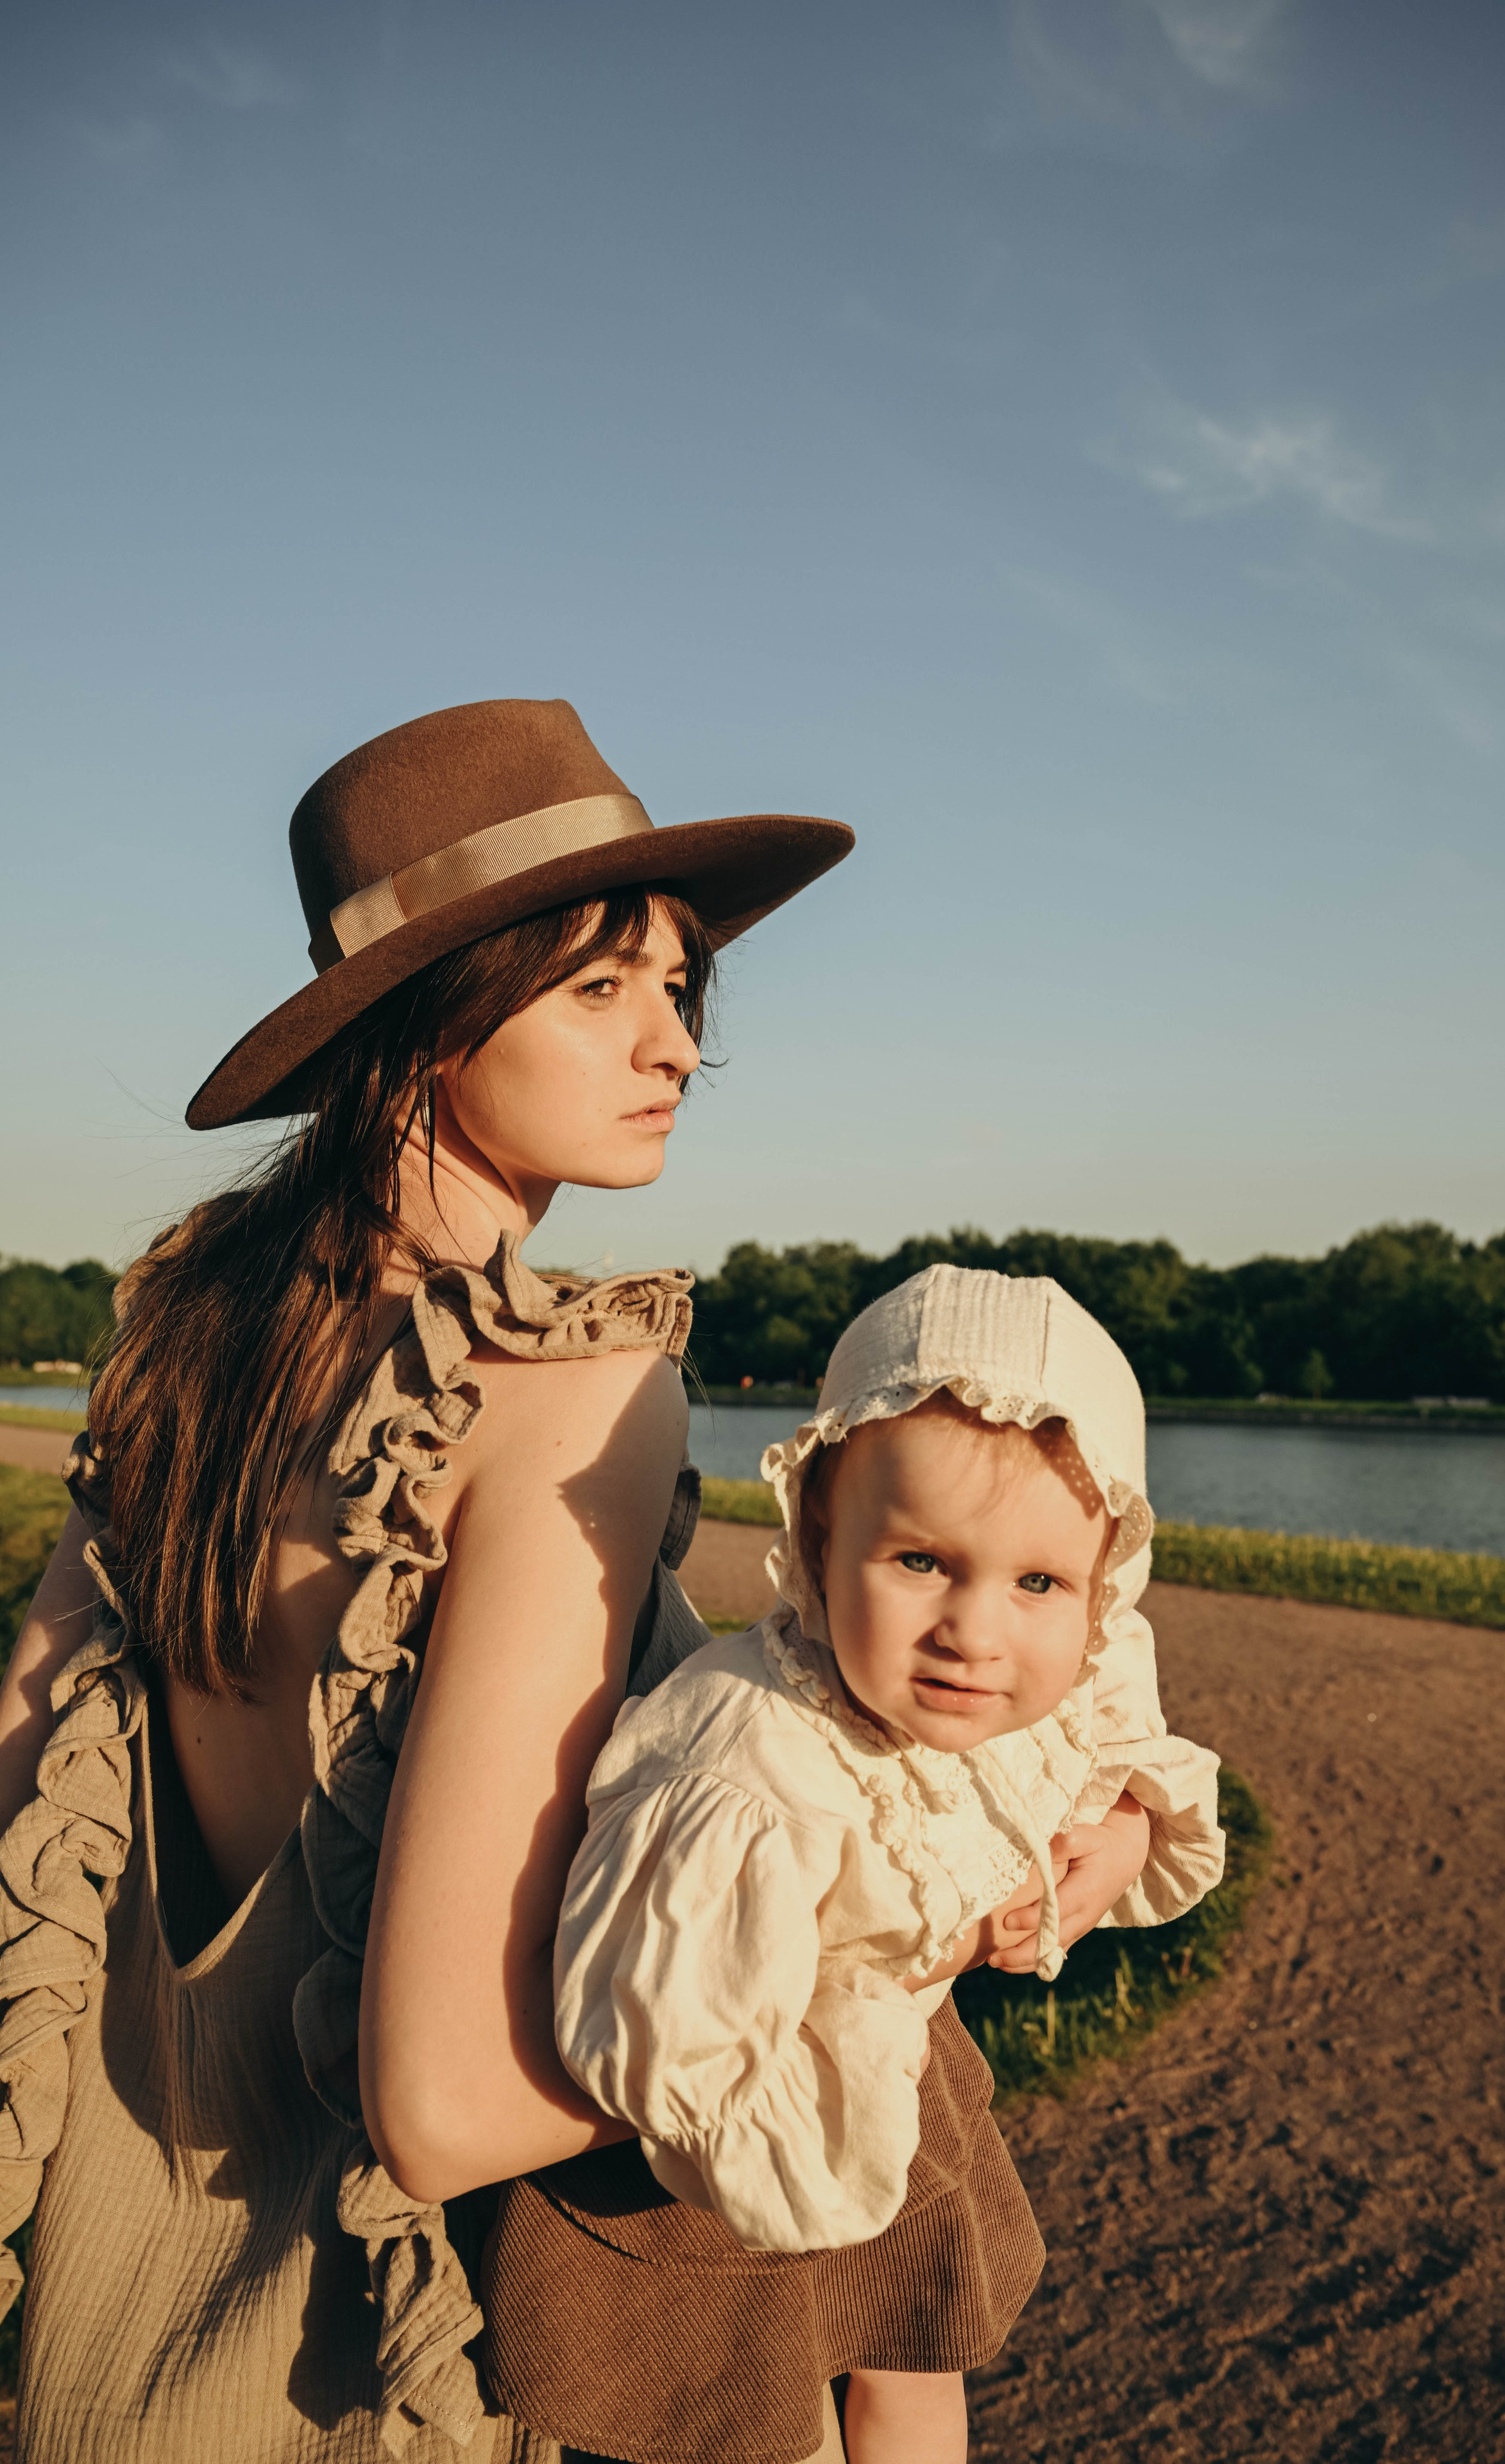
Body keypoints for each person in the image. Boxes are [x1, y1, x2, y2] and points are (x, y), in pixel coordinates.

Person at [0, 696, 857, 2461]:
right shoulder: (576, 1394)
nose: (675, 1045)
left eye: (682, 986)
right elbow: (447, 2104)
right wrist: (856, 1954)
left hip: (102, 2336)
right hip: (361, 2367)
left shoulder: (185, 1335)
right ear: (430, 1017)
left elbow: (22, 1774)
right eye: (600, 988)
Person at [484, 1263, 1225, 2464]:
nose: (975, 1634)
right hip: (717, 2186)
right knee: (766, 2438)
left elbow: (1118, 1738)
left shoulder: (1060, 1662)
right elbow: (668, 2051)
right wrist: (892, 2000)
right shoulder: (749, 1764)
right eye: (921, 1563)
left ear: (1100, 1588)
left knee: (917, 2369)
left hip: (888, 2099)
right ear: (821, 1540)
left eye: (1039, 1583)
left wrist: (1121, 1833)